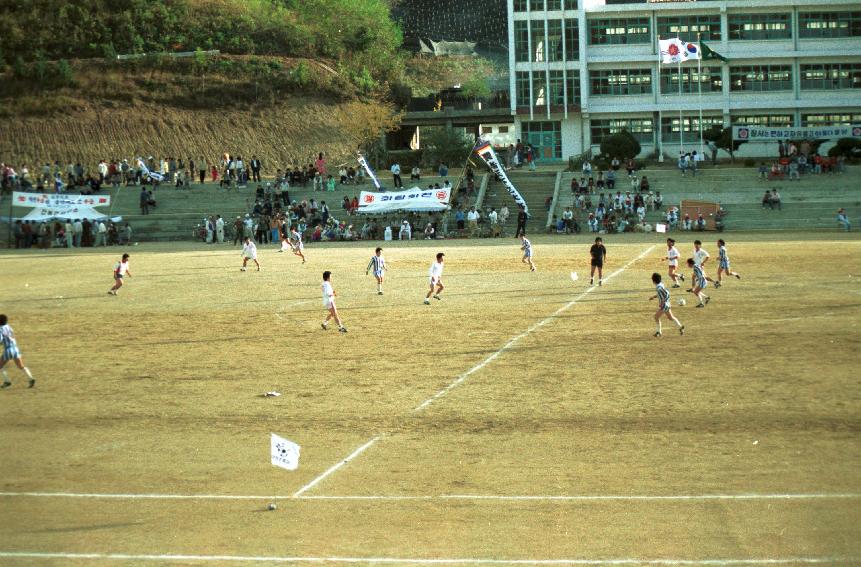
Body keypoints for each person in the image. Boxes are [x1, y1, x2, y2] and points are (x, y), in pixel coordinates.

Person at [0, 314, 36, 389]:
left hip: (8, 349)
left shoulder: (0, 329)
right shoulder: (8, 326)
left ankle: (7, 381)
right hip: (15, 348)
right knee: (21, 366)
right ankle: (31, 378)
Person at [649, 273, 685, 338]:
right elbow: (663, 294)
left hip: (665, 305)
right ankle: (680, 327)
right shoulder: (661, 285)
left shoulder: (659, 288)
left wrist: (662, 302)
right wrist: (654, 297)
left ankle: (659, 332)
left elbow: (666, 294)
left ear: (653, 281)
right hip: (667, 304)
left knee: (656, 317)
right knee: (671, 318)